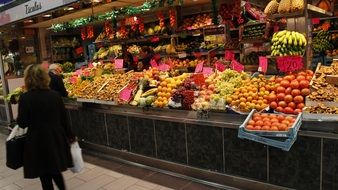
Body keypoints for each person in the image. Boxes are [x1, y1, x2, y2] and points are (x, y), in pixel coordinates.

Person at [17, 64, 75, 190]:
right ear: (44, 78)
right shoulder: (55, 95)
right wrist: (71, 136)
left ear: (28, 79)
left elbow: (22, 123)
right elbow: (64, 119)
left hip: (37, 140)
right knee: (56, 171)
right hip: (55, 137)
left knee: (44, 174)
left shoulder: (25, 98)